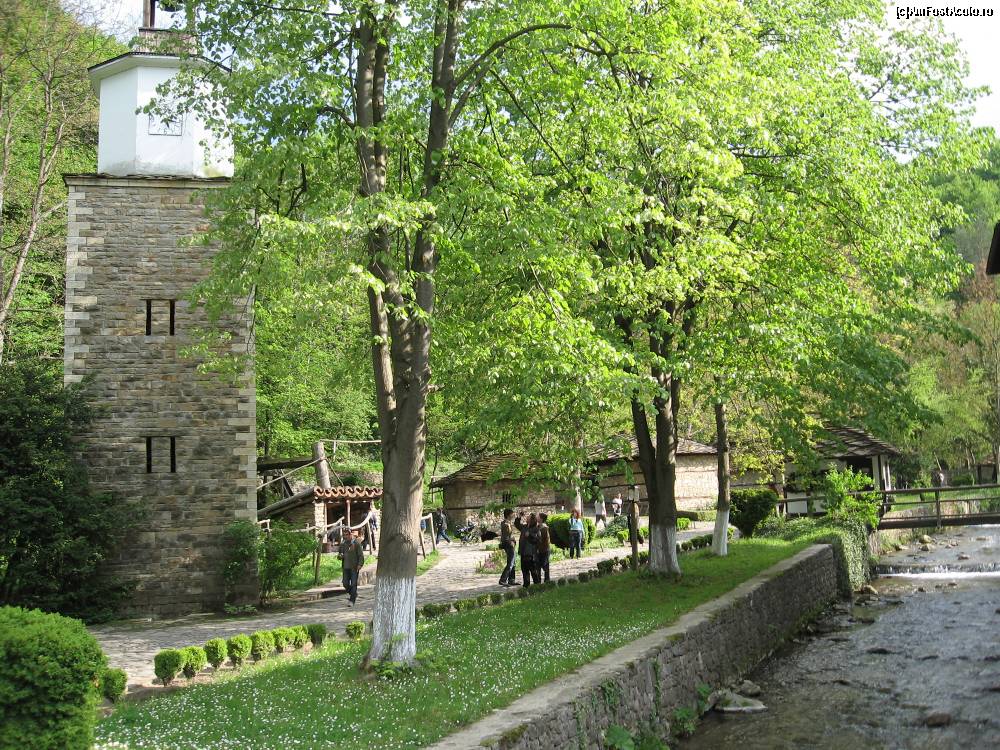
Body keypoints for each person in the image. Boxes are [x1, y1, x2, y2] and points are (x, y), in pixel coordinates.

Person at [338, 528, 365, 605]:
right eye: (344, 535)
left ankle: (352, 600)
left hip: (354, 567)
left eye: (347, 535)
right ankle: (354, 594)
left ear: (350, 535)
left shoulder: (356, 543)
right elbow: (339, 554)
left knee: (353, 584)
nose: (345, 536)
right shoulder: (342, 544)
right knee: (345, 583)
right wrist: (340, 556)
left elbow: (361, 555)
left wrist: (360, 564)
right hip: (345, 567)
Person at [515, 512, 542, 587]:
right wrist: (519, 517)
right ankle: (526, 585)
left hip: (530, 553)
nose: (527, 517)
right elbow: (517, 524)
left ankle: (537, 585)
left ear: (532, 519)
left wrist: (530, 535)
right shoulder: (524, 527)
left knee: (532, 569)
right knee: (524, 569)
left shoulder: (536, 528)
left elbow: (538, 539)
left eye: (528, 517)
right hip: (523, 551)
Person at [498, 508, 517, 586]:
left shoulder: (507, 523)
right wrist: (512, 540)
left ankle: (511, 580)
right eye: (512, 514)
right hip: (509, 545)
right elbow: (505, 538)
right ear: (509, 515)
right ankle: (503, 580)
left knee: (513, 563)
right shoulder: (506, 524)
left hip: (510, 544)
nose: (513, 515)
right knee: (510, 563)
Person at [537, 512, 552, 582]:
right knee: (538, 566)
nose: (537, 517)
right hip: (538, 550)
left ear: (541, 519)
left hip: (544, 550)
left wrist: (541, 549)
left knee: (545, 565)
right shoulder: (537, 527)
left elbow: (547, 541)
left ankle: (547, 580)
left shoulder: (545, 528)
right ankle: (538, 581)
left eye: (538, 516)